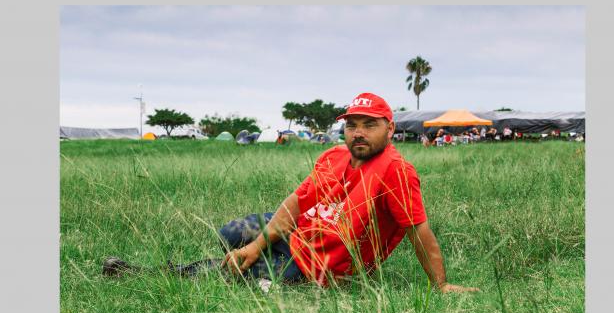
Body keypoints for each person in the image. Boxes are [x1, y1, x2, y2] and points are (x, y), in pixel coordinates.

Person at [105, 93, 479, 294]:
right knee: (230, 233)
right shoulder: (334, 156)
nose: (359, 133)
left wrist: (441, 284)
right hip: (299, 231)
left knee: (235, 274)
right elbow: (296, 203)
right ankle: (255, 256)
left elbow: (419, 231)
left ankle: (143, 274)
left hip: (321, 263)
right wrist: (257, 243)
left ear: (390, 129)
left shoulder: (396, 171)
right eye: (352, 125)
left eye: (369, 125)